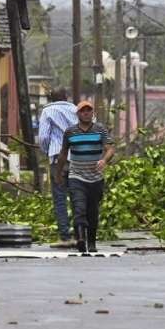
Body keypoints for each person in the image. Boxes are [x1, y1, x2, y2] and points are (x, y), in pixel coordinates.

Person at [55, 101, 114, 253]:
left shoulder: (100, 130)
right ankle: (81, 239)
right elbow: (63, 153)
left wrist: (104, 160)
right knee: (79, 208)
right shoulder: (70, 132)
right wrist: (58, 174)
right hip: (76, 177)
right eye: (83, 111)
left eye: (89, 110)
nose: (86, 113)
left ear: (92, 113)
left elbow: (110, 149)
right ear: (78, 114)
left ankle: (92, 242)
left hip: (96, 178)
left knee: (92, 211)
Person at [37, 88, 78, 248]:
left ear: (51, 98)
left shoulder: (47, 111)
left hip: (57, 159)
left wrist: (47, 150)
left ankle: (65, 236)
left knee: (60, 197)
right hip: (77, 158)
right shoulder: (77, 110)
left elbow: (43, 137)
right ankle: (80, 235)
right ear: (66, 97)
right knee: (77, 197)